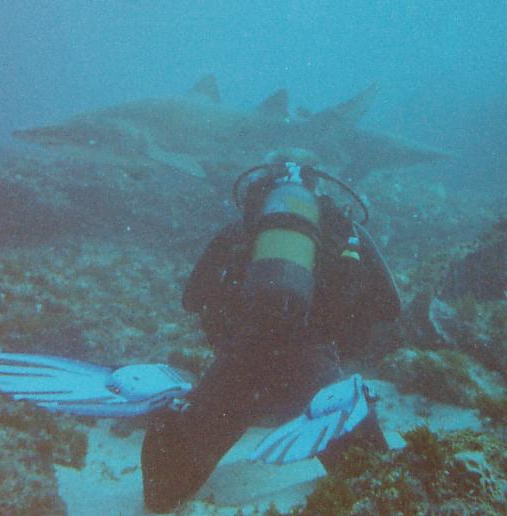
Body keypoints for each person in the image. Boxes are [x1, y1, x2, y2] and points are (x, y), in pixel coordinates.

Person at [141, 159, 402, 512]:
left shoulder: (243, 229)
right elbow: (390, 306)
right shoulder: (345, 230)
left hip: (243, 361)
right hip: (315, 367)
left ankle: (167, 423)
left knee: (167, 486)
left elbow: (192, 299)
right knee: (371, 480)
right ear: (318, 190)